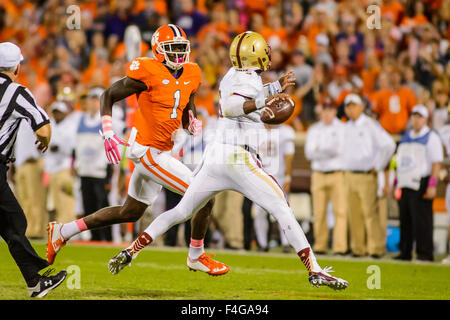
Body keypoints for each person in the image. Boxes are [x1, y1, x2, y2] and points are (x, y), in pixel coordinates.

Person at [108, 31, 348, 290]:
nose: (267, 54)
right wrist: (264, 100)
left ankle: (132, 250)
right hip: (238, 157)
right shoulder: (246, 79)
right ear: (255, 54)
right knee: (281, 208)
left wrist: (274, 88)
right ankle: (315, 270)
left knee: (182, 211)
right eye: (263, 50)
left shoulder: (236, 76)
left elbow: (243, 96)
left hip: (216, 155)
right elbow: (234, 107)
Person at [46, 24, 229, 275]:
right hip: (149, 152)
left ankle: (63, 231)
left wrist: (191, 121)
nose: (178, 54)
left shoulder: (192, 73)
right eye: (172, 49)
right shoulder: (148, 71)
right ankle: (196, 254)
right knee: (204, 195)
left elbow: (187, 104)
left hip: (160, 150)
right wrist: (108, 131)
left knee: (129, 211)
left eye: (180, 48)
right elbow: (108, 95)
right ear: (158, 50)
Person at [0, 42, 66, 298]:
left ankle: (35, 281)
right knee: (15, 221)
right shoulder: (17, 92)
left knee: (10, 224)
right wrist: (45, 141)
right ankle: (36, 280)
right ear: (17, 66)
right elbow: (42, 127)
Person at [342, 93, 396, 258]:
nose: (350, 109)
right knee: (354, 214)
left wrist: (378, 165)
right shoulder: (347, 127)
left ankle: (376, 249)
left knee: (370, 214)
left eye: (353, 106)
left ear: (361, 107)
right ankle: (358, 249)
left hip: (366, 175)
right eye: (348, 106)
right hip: (350, 174)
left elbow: (389, 145)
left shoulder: (370, 125)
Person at [395, 105, 443, 261]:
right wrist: (396, 182)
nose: (416, 120)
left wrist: (432, 184)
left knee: (422, 220)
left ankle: (424, 253)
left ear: (425, 119)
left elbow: (436, 163)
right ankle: (405, 251)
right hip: (405, 181)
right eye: (414, 116)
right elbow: (400, 160)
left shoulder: (431, 137)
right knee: (405, 218)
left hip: (422, 181)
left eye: (419, 117)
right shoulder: (407, 136)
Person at [304, 98, 347, 255]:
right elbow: (309, 153)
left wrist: (319, 150)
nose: (327, 113)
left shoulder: (342, 128)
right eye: (325, 109)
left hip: (337, 173)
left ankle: (340, 247)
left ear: (335, 111)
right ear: (321, 111)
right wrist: (326, 150)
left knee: (340, 212)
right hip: (318, 174)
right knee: (319, 212)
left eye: (330, 109)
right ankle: (320, 246)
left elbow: (339, 150)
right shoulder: (314, 129)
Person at [253, 123, 295, 252]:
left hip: (278, 177)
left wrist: (288, 176)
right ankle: (262, 243)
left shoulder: (285, 131)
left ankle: (286, 243)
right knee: (259, 212)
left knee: (283, 210)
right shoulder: (257, 130)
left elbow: (289, 155)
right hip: (260, 177)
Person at [44, 101, 76, 225]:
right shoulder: (50, 125)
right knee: (55, 200)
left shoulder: (71, 126)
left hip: (65, 166)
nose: (57, 115)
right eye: (55, 112)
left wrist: (60, 148)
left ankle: (67, 226)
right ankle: (59, 226)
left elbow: (74, 148)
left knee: (66, 198)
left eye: (59, 113)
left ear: (64, 114)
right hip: (51, 167)